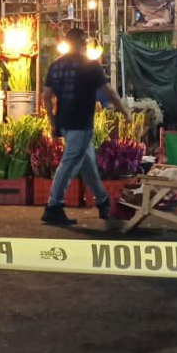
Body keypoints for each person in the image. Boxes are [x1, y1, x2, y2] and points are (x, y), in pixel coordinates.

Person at [41, 28, 131, 226]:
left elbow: (46, 96)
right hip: (80, 123)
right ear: (83, 43)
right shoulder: (90, 66)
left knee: (88, 164)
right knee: (69, 163)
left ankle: (103, 202)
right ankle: (53, 206)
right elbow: (109, 93)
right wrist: (125, 112)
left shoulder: (56, 66)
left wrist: (52, 123)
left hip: (64, 122)